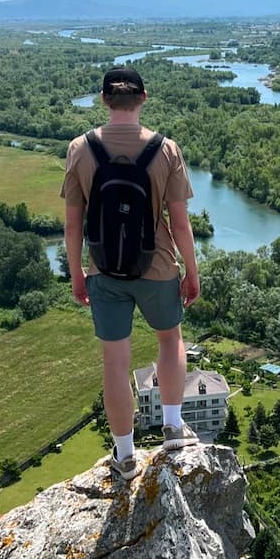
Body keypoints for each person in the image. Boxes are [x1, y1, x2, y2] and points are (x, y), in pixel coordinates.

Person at [61, 66, 201, 481]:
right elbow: (180, 224)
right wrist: (191, 272)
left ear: (105, 100)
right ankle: (173, 428)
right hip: (157, 267)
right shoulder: (166, 150)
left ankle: (124, 454)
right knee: (170, 340)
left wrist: (77, 275)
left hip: (103, 270)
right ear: (143, 98)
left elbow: (73, 224)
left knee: (115, 362)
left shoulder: (80, 149)